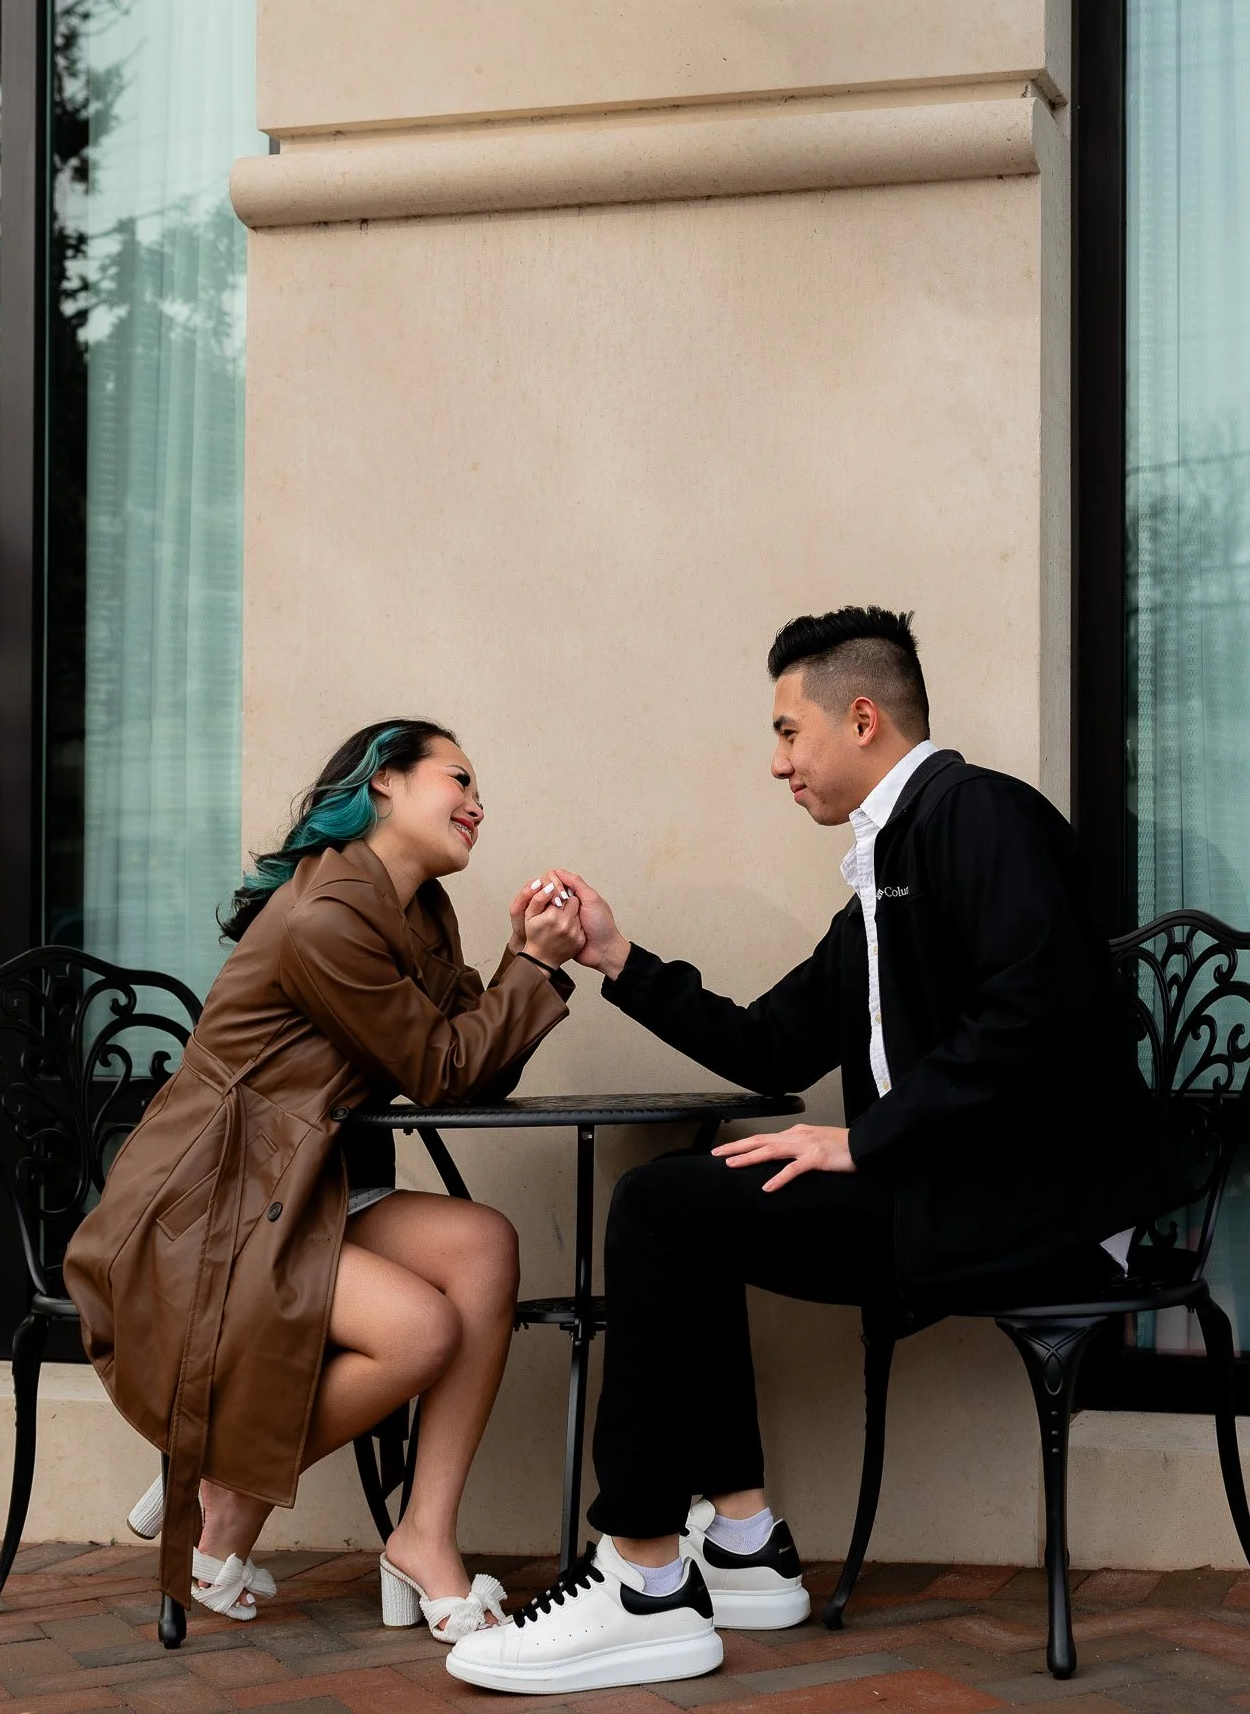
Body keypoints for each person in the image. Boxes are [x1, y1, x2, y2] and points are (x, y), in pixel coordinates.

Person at [447, 607, 1193, 1696]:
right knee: (682, 1202)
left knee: (664, 1210)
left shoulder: (982, 814)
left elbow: (1036, 1008)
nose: (777, 762)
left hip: (1045, 1217)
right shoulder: (882, 876)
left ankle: (646, 1578)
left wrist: (868, 1142)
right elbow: (769, 1043)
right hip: (946, 1199)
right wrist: (617, 956)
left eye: (790, 733)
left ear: (861, 718)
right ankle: (741, 1543)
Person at [64, 719, 583, 1638]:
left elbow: (475, 1063)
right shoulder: (329, 916)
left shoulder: (415, 908)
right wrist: (534, 967)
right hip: (210, 1202)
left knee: (484, 1247)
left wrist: (520, 955)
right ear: (385, 781)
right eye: (456, 778)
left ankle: (420, 1534)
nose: (477, 804)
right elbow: (444, 1072)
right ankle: (217, 1493)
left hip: (298, 1184)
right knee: (421, 1329)